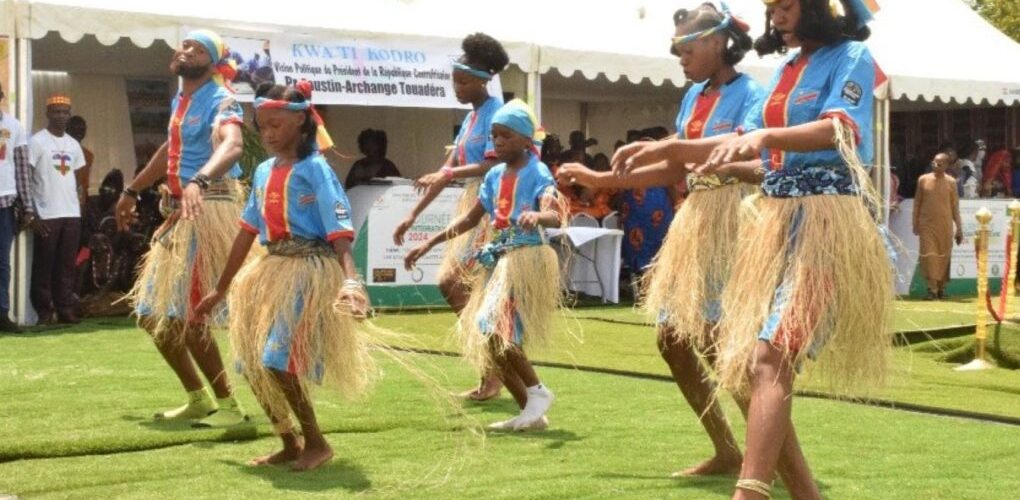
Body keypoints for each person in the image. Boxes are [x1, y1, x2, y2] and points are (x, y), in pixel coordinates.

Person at [611, 1, 889, 498]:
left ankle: (750, 491)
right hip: (775, 228)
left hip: (826, 229)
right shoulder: (787, 68)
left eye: (787, 6)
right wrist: (667, 148)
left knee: (768, 358)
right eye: (773, 8)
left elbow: (840, 129)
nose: (778, 16)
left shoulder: (852, 58)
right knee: (754, 361)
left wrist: (763, 135)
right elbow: (741, 141)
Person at [557, 2, 767, 477]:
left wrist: (666, 148)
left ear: (717, 42)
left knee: (719, 343)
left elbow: (744, 150)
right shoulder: (693, 98)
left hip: (733, 219)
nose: (681, 58)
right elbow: (674, 167)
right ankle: (728, 449)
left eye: (686, 48)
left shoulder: (753, 93)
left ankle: (765, 455)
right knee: (671, 338)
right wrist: (601, 178)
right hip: (694, 217)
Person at [194, 82, 372, 471]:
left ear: (302, 123)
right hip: (270, 267)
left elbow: (340, 233)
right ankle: (289, 441)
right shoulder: (262, 171)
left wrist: (352, 282)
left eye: (277, 125)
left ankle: (317, 442)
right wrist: (219, 289)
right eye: (263, 126)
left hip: (309, 272)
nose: (269, 133)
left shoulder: (316, 170)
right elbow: (246, 231)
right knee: (251, 361)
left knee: (277, 359)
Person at [115, 30, 249, 426]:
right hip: (180, 215)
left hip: (207, 212)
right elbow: (168, 151)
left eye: (196, 47)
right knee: (151, 313)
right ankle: (199, 399)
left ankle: (229, 407)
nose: (184, 49)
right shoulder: (182, 98)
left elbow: (233, 145)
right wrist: (132, 189)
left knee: (192, 317)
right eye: (184, 44)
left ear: (212, 61)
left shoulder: (222, 99)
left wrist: (200, 180)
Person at [404, 99, 562, 431]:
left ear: (525, 140)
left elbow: (555, 212)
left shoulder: (537, 171)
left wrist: (538, 215)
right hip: (500, 259)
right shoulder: (493, 176)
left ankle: (537, 390)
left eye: (505, 136)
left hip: (527, 257)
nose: (498, 143)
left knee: (494, 325)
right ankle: (530, 411)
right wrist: (430, 242)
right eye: (494, 136)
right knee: (488, 333)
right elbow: (470, 219)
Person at [393, 32, 509, 401]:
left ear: (483, 80)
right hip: (472, 200)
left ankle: (497, 371)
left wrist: (447, 175)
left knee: (456, 284)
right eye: (454, 80)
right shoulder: (471, 119)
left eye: (463, 81)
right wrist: (412, 215)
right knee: (458, 287)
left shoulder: (497, 114)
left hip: (491, 205)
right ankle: (492, 370)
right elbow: (447, 168)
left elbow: (492, 163)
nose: (456, 87)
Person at [29, 95, 88, 325]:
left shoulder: (73, 145)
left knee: (66, 265)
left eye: (65, 112)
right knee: (44, 265)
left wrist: (80, 206)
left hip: (71, 214)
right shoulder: (37, 142)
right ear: (47, 114)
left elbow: (77, 178)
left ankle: (65, 309)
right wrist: (32, 213)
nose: (61, 116)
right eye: (56, 112)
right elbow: (28, 177)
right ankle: (44, 311)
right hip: (47, 213)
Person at [0, 83, 37, 333]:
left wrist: (27, 207)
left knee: (2, 262)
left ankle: (2, 313)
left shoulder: (14, 126)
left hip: (5, 202)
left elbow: (22, 168)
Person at [913, 152, 963, 300]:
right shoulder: (923, 180)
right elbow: (917, 203)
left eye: (940, 163)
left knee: (943, 256)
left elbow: (955, 207)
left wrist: (959, 228)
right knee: (929, 256)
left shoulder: (951, 182)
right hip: (926, 225)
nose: (935, 165)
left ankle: (941, 288)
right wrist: (915, 222)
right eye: (934, 162)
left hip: (945, 226)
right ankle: (932, 289)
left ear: (947, 165)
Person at [66, 116, 94, 201]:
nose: (78, 133)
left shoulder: (88, 155)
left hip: (79, 203)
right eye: (74, 129)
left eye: (82, 129)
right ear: (67, 130)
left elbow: (85, 184)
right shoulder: (59, 152)